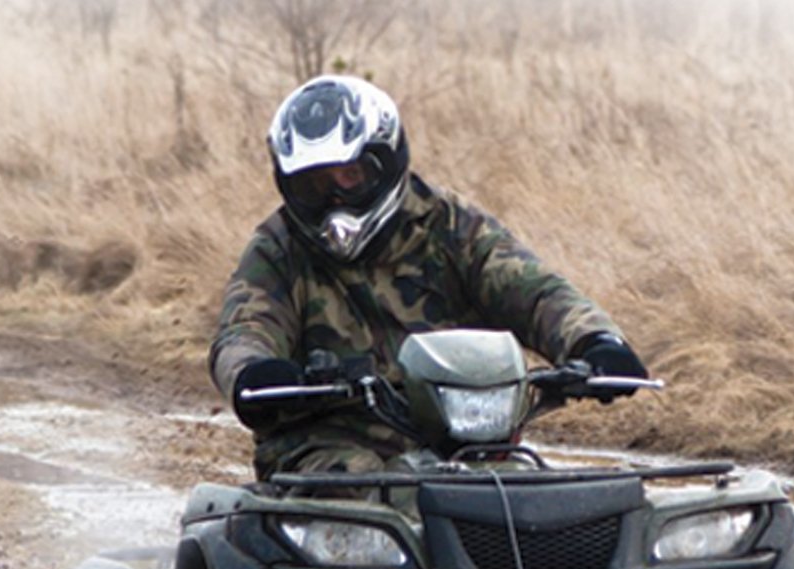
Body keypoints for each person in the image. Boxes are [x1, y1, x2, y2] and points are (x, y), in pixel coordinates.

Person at [210, 75, 648, 479]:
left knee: (529, 496)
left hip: (465, 438)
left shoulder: (450, 224)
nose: (336, 197)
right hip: (326, 444)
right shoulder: (278, 247)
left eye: (350, 175)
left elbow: (532, 289)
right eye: (315, 186)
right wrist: (255, 373)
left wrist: (594, 340)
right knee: (363, 484)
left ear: (385, 162)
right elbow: (244, 329)